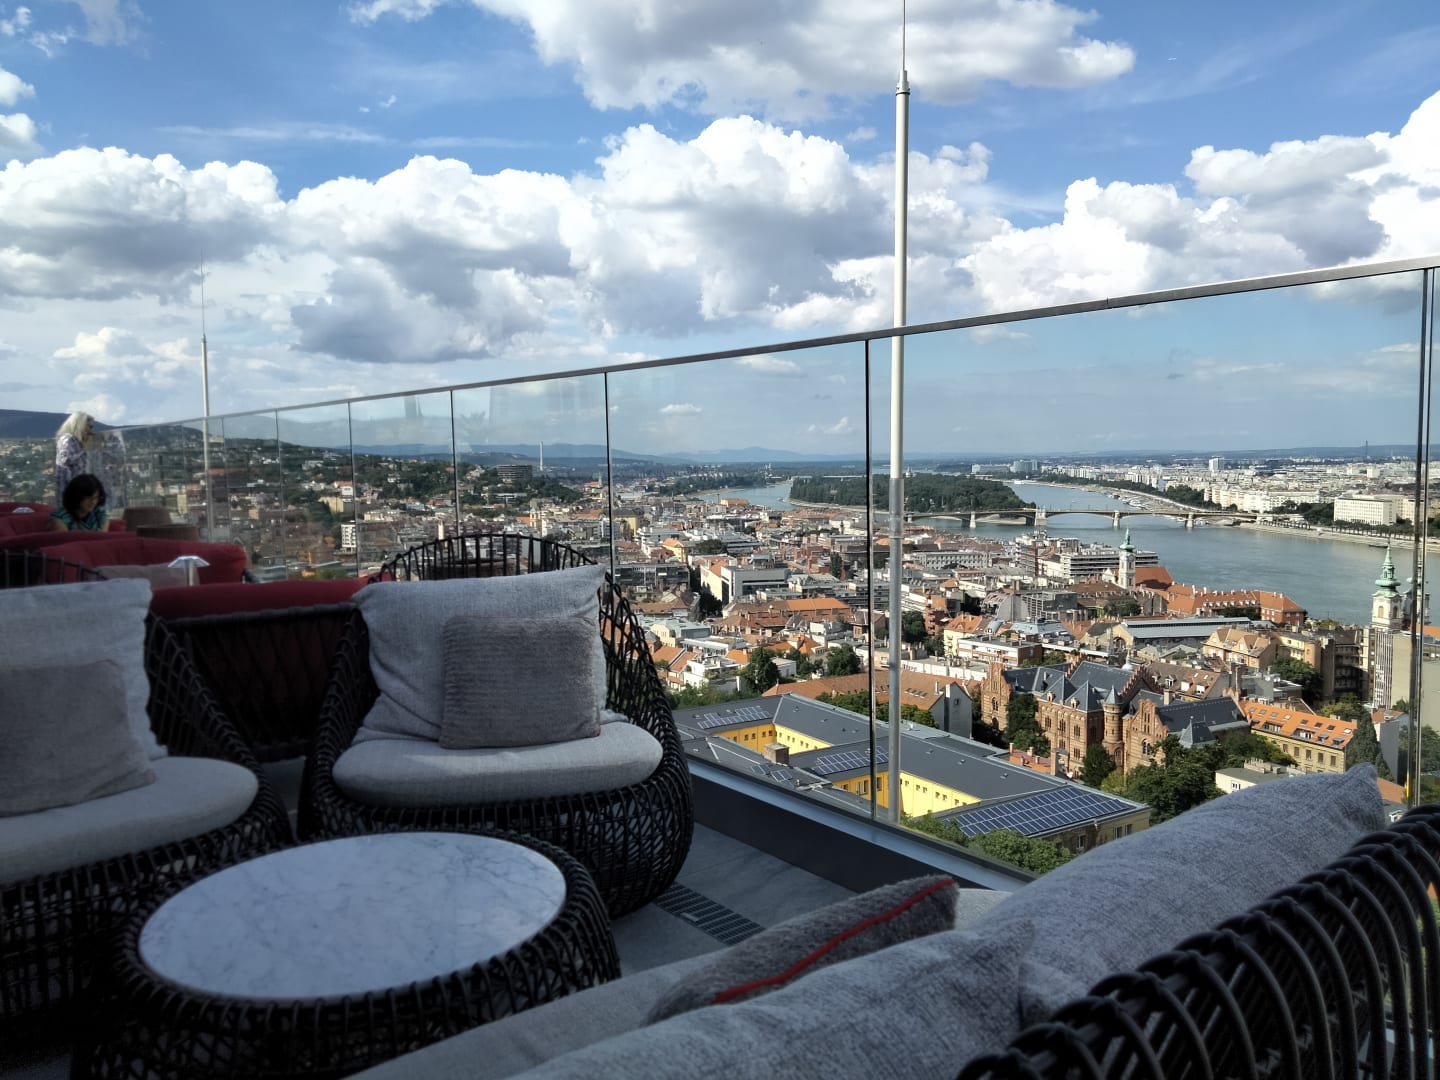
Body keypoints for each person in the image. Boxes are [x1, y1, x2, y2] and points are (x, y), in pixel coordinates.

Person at [54, 411, 96, 506]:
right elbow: (66, 460)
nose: (91, 431)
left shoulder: (75, 441)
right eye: (89, 426)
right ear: (80, 425)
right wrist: (86, 450)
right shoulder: (68, 439)